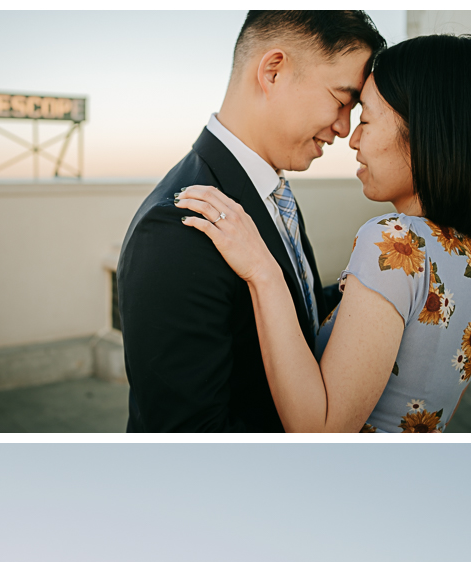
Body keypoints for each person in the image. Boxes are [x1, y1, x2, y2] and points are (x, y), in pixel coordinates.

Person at [175, 34, 471, 433]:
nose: (353, 138)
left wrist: (263, 270)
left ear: (425, 135)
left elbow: (320, 430)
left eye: (365, 119)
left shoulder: (396, 242)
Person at [117, 11, 386, 432]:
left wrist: (381, 293)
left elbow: (303, 310)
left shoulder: (268, 190)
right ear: (273, 72)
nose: (342, 128)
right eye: (341, 100)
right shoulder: (178, 228)